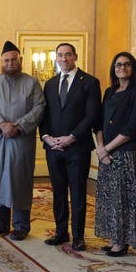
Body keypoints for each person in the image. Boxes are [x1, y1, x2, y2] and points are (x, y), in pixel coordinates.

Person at [39, 43, 101, 251]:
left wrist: (72, 137)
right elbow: (44, 115)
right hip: (53, 148)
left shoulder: (90, 82)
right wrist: (46, 137)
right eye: (60, 55)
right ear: (56, 58)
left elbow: (91, 115)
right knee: (58, 192)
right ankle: (61, 232)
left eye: (67, 55)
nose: (64, 59)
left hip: (78, 148)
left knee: (77, 193)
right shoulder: (49, 83)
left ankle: (78, 237)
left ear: (75, 56)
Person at [0, 41, 45, 241]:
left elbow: (39, 107)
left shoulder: (32, 83)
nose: (10, 63)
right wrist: (2, 124)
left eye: (13, 60)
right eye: (6, 60)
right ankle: (0, 224)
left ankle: (20, 226)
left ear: (20, 61)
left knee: (20, 180)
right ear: (1, 61)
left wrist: (17, 125)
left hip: (21, 139)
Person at [94, 52, 136, 257]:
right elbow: (99, 123)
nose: (122, 67)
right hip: (106, 153)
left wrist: (107, 149)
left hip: (128, 152)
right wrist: (101, 149)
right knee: (110, 198)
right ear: (113, 68)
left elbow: (131, 127)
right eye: (118, 64)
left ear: (133, 67)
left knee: (125, 198)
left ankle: (124, 242)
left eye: (127, 64)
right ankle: (114, 237)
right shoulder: (109, 91)